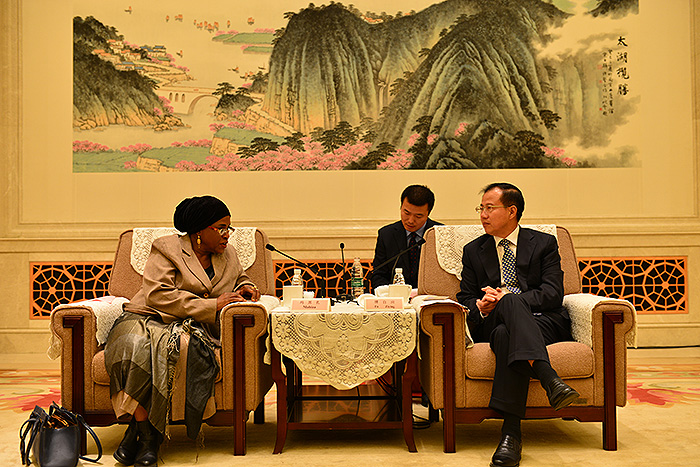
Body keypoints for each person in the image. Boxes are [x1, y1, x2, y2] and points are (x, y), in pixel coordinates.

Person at [104, 195, 260, 467]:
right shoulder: (166, 249)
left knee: (178, 348)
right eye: (221, 228)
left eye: (229, 228)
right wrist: (212, 304)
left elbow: (238, 276)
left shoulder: (228, 254)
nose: (227, 234)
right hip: (147, 316)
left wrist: (245, 286)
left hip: (192, 326)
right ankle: (149, 436)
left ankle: (136, 435)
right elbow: (158, 295)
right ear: (199, 231)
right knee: (135, 347)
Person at [456, 183, 579, 467]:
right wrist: (480, 306)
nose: (483, 215)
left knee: (505, 332)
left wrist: (511, 299)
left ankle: (511, 434)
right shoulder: (474, 250)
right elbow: (465, 297)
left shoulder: (544, 243)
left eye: (489, 208)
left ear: (512, 211)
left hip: (542, 321)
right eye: (481, 208)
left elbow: (553, 293)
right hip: (493, 318)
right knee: (504, 314)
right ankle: (549, 378)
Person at [371, 185, 442, 289]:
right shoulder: (386, 235)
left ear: (428, 213)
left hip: (430, 296)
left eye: (418, 216)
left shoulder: (440, 234)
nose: (410, 220)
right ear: (401, 207)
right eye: (406, 213)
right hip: (395, 296)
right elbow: (379, 275)